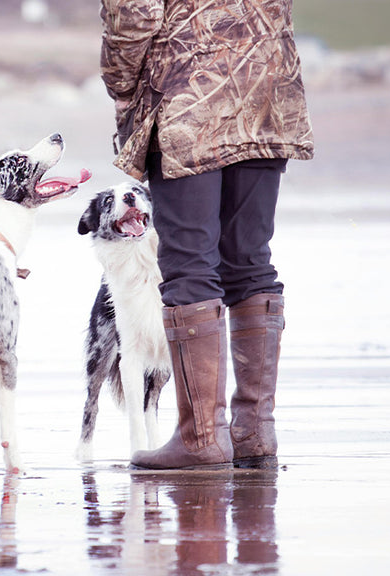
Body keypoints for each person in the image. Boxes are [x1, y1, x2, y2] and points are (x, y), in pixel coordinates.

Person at [100, 0, 314, 469]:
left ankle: (201, 437)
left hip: (189, 93)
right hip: (267, 86)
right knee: (248, 259)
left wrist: (120, 85)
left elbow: (134, 11)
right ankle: (254, 430)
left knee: (189, 264)